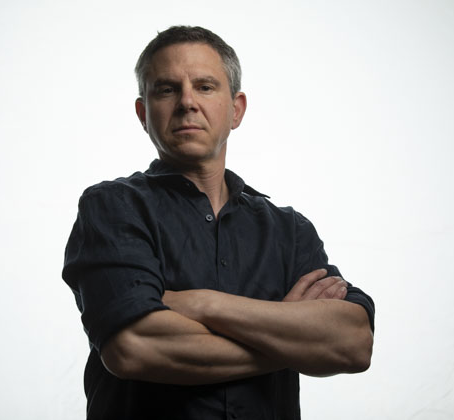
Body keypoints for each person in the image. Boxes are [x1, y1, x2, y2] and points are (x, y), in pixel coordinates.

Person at [62, 25, 375, 420]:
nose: (187, 102)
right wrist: (290, 336)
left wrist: (202, 304)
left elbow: (353, 342)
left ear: (236, 109)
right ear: (143, 113)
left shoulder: (289, 231)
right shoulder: (113, 207)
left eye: (205, 87)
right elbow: (135, 348)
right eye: (166, 89)